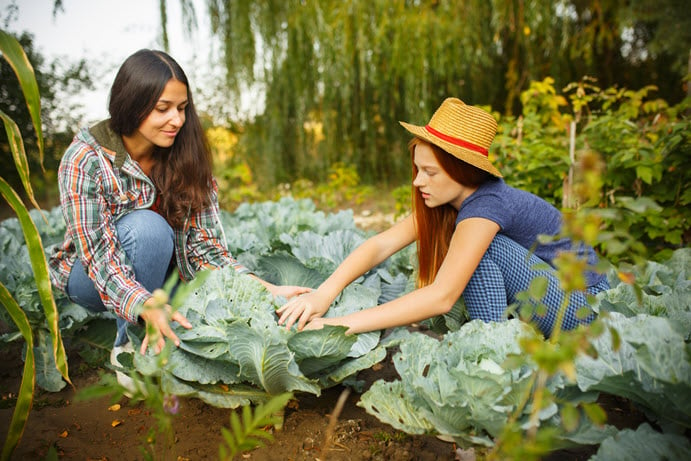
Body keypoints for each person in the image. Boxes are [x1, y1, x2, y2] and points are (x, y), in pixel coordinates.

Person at [49, 49, 310, 366]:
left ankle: (156, 326)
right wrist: (145, 305)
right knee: (149, 230)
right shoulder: (86, 159)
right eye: (163, 109)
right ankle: (128, 350)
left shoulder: (185, 154)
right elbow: (100, 257)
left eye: (182, 108)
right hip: (90, 277)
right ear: (131, 105)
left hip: (165, 276)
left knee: (196, 324)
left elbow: (207, 251)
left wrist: (268, 289)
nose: (177, 120)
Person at [277, 97, 609, 337]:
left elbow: (441, 296)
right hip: (552, 299)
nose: (417, 181)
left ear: (461, 171)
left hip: (586, 310)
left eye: (430, 172)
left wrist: (339, 325)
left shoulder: (487, 205)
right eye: (417, 169)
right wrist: (324, 293)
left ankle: (488, 346)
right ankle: (490, 343)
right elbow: (380, 245)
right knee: (474, 248)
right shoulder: (450, 202)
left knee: (482, 249)